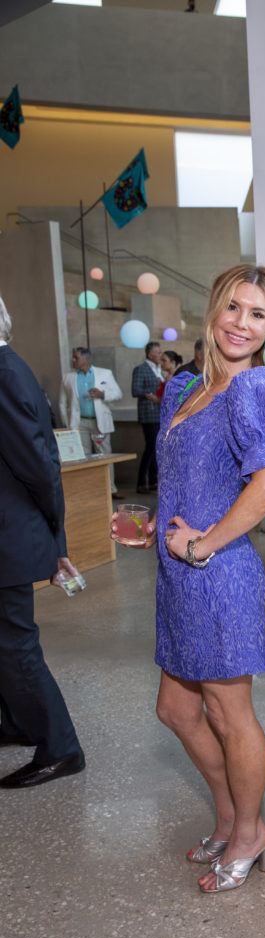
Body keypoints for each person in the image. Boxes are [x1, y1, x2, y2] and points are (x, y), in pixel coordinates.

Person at [112, 265, 265, 893]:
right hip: (179, 578)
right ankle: (229, 816)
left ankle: (250, 831)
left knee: (228, 711)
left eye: (258, 315)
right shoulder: (185, 388)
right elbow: (187, 480)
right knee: (175, 708)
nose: (241, 323)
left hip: (219, 577)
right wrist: (158, 528)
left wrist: (201, 543)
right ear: (214, 309)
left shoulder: (257, 388)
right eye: (233, 308)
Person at [0, 296, 85, 787]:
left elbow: (39, 466)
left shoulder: (6, 373)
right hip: (10, 533)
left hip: (10, 537)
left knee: (15, 645)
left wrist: (57, 536)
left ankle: (61, 747)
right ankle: (17, 722)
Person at [59, 346, 124, 497]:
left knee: (105, 455)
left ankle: (110, 490)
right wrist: (67, 424)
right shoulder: (67, 377)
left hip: (100, 422)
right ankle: (87, 490)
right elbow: (62, 403)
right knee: (82, 457)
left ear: (86, 359)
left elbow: (118, 394)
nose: (73, 360)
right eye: (73, 357)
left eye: (76, 357)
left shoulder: (104, 373)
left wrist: (103, 394)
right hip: (78, 423)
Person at [131, 340, 163, 494]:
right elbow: (135, 390)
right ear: (150, 355)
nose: (160, 355)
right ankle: (141, 482)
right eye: (158, 352)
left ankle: (152, 480)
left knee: (156, 447)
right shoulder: (141, 369)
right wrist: (150, 394)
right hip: (148, 413)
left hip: (159, 413)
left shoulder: (159, 369)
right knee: (150, 447)